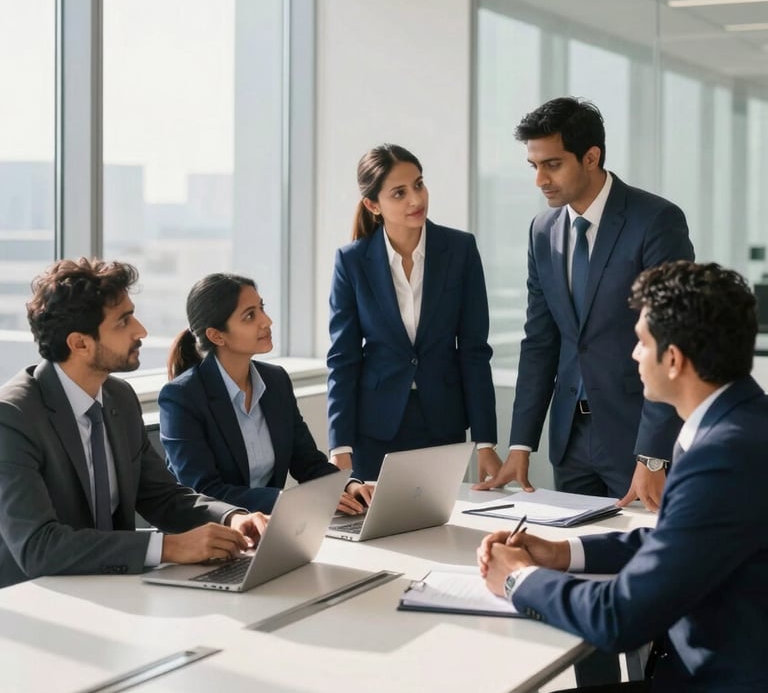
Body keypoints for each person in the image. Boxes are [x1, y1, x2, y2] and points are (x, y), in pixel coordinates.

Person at [463, 261, 768, 693]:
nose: (632, 355)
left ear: (674, 359)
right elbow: (672, 544)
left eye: (641, 341)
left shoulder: (725, 453)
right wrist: (561, 554)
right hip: (720, 685)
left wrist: (516, 580)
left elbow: (621, 618)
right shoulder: (742, 421)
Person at [0, 258, 271, 693]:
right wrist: (169, 549)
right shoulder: (13, 417)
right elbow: (40, 549)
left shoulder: (119, 399)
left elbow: (166, 496)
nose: (143, 330)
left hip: (109, 610)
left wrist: (236, 516)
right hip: (32, 629)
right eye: (125, 321)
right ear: (79, 342)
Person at [475, 97, 694, 510]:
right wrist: (521, 443)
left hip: (639, 443)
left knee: (640, 564)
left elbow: (674, 339)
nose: (540, 180)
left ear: (591, 157)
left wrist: (653, 453)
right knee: (577, 560)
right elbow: (540, 340)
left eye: (552, 164)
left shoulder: (656, 221)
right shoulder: (542, 231)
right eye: (534, 166)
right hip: (570, 441)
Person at [327, 143, 502, 491]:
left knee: (443, 527)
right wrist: (340, 447)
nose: (416, 199)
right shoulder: (352, 261)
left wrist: (486, 442)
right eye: (399, 193)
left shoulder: (460, 250)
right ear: (373, 205)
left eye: (419, 184)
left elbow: (474, 350)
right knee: (378, 536)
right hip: (375, 428)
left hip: (444, 424)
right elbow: (343, 358)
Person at [159, 273, 361, 515]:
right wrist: (290, 500)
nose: (267, 321)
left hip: (270, 528)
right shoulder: (181, 397)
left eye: (261, 308)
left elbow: (307, 462)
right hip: (210, 534)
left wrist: (347, 486)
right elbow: (205, 491)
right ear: (216, 335)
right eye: (250, 316)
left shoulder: (276, 381)